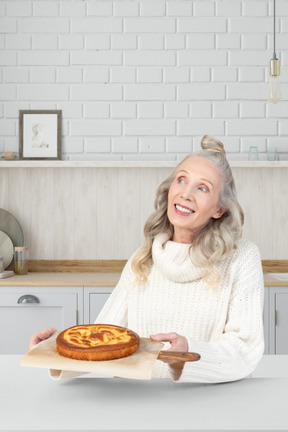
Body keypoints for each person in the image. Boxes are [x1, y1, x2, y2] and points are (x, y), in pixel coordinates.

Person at [29, 135, 264, 383]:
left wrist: (188, 354)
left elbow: (245, 350)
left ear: (219, 209)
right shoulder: (142, 260)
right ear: (169, 189)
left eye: (203, 188)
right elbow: (103, 347)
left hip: (207, 407)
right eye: (181, 179)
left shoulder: (241, 259)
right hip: (136, 404)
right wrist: (54, 348)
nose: (186, 193)